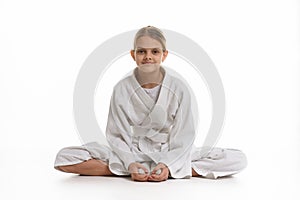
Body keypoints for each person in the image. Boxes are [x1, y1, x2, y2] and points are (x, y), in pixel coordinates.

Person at [54, 26, 247, 182]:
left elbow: (184, 135)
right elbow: (116, 134)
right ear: (133, 55)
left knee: (237, 159)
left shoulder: (179, 88)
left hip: (169, 151)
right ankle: (139, 170)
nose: (148, 56)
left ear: (164, 55)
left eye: (154, 51)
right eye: (142, 51)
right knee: (64, 157)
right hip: (132, 151)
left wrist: (169, 164)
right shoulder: (121, 88)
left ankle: (161, 171)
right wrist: (130, 162)